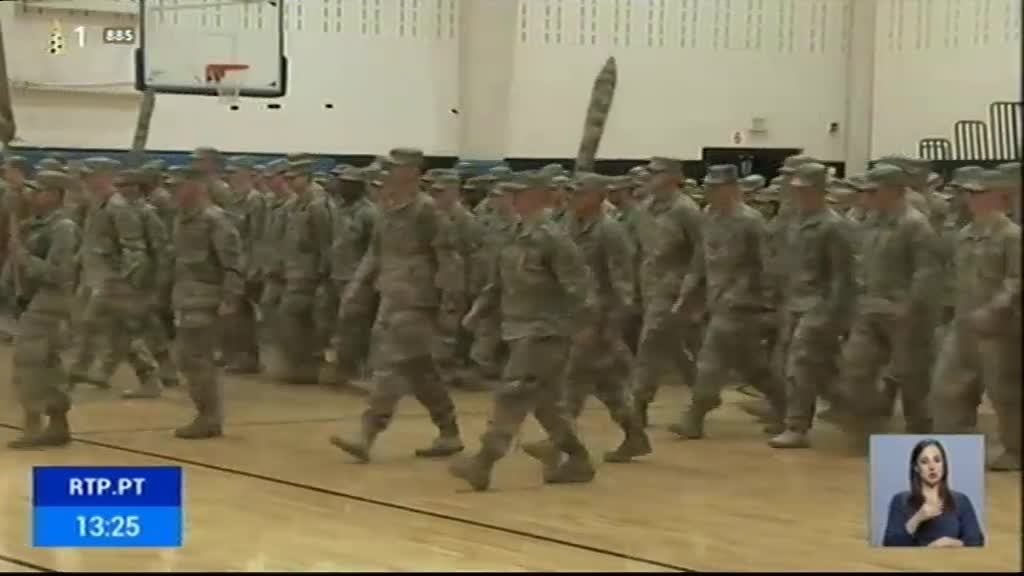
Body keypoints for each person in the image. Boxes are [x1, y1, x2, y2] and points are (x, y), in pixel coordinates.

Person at [449, 171, 598, 491]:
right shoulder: (516, 233)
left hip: (545, 332)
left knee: (512, 393)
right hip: (518, 328)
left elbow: (580, 288)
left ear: (536, 196)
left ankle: (483, 462)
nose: (510, 198)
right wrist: (478, 312)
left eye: (517, 193)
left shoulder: (553, 238)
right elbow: (498, 282)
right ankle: (578, 459)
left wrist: (583, 325)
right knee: (546, 402)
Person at [329, 148, 464, 463]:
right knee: (420, 371)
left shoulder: (426, 211)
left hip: (417, 302)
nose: (386, 175)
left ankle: (367, 434)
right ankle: (449, 432)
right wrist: (356, 287)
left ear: (411, 173)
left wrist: (449, 306)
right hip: (391, 298)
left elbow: (448, 259)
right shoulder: (387, 210)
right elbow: (375, 254)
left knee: (389, 367)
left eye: (393, 169)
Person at [669, 165, 783, 439]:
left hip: (742, 304)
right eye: (708, 188)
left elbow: (768, 264)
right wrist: (686, 296)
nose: (709, 193)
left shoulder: (751, 222)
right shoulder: (707, 217)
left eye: (715, 188)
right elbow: (700, 261)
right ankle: (787, 407)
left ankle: (694, 416)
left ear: (732, 189)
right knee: (752, 366)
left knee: (711, 359)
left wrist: (769, 304)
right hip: (716, 301)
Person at [931, 170, 1021, 471]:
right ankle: (954, 445)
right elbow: (955, 278)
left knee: (1003, 391)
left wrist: (995, 309)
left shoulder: (1011, 235)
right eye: (969, 194)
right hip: (963, 323)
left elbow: (1015, 280)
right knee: (947, 386)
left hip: (998, 328)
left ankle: (1015, 449)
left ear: (999, 197)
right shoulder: (964, 234)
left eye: (978, 194)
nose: (970, 199)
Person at [168, 165, 244, 439]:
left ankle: (209, 417)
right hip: (186, 298)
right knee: (189, 359)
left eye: (180, 186)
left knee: (195, 358)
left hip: (206, 298)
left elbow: (232, 264)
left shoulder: (215, 220)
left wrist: (230, 298)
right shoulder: (182, 218)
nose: (174, 191)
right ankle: (206, 414)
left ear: (196, 187)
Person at [6, 174, 80, 449]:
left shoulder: (63, 228)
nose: (32, 196)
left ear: (54, 194)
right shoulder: (36, 225)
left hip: (50, 301)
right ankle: (57, 425)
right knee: (47, 366)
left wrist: (22, 257)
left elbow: (58, 273)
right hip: (35, 300)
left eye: (38, 192)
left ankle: (34, 425)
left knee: (31, 364)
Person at [631, 156, 703, 427]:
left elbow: (701, 253)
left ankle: (638, 404)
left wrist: (693, 293)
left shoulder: (686, 210)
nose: (650, 178)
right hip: (649, 286)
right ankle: (702, 393)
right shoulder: (645, 208)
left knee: (649, 344)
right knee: (674, 347)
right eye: (649, 173)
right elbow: (641, 250)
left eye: (657, 174)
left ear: (674, 178)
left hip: (674, 291)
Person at [882, 439, 984, 547]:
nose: (932, 467)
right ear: (916, 467)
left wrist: (952, 543)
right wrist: (917, 519)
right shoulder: (900, 500)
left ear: (944, 465)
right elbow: (889, 543)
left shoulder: (961, 500)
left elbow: (976, 540)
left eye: (937, 460)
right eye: (924, 462)